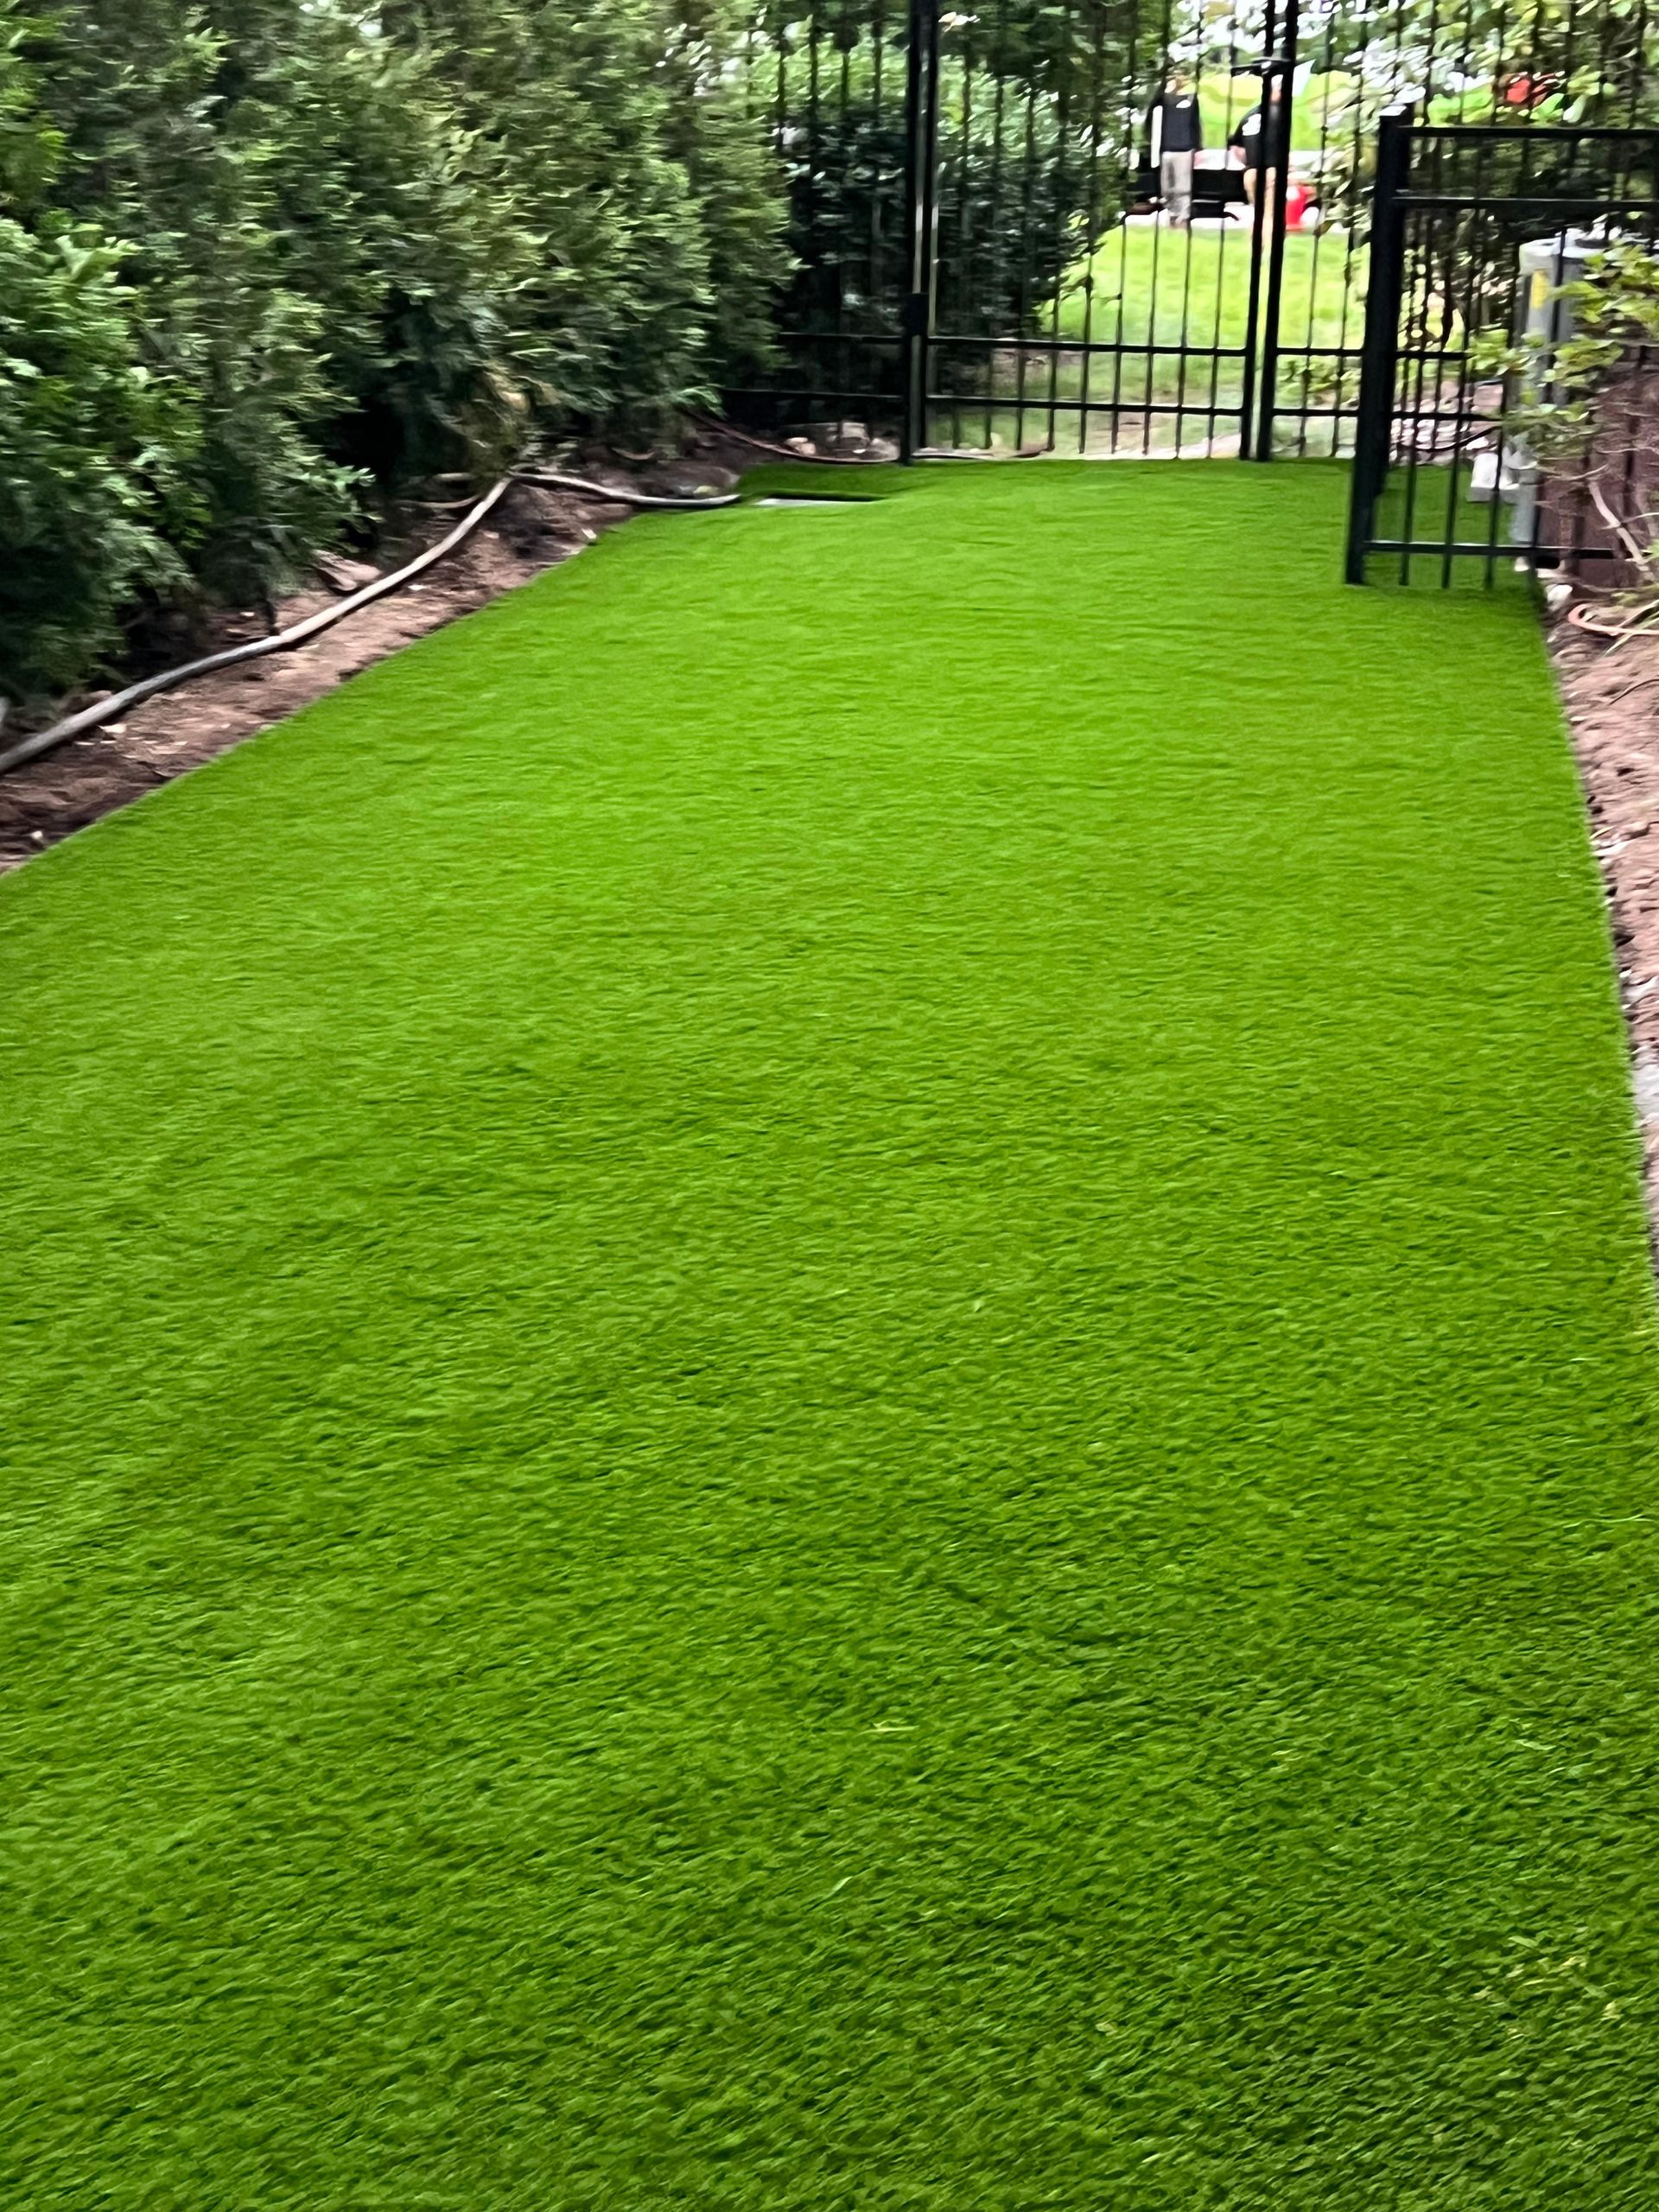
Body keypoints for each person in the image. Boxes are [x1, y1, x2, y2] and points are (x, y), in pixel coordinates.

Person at [1230, 74, 1287, 228]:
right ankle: (1267, 236)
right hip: (1271, 170)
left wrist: (1248, 161)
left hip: (1252, 171)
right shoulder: (1280, 113)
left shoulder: (1249, 115)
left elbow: (1235, 146)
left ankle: (1257, 234)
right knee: (1269, 212)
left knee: (1258, 210)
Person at [1147, 76, 1203, 226]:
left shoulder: (1191, 99)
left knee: (1183, 186)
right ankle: (1172, 212)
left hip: (1185, 148)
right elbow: (1154, 106)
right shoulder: (1162, 101)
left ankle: (1183, 216)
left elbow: (1196, 124)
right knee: (1166, 186)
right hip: (1165, 148)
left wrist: (1198, 146)